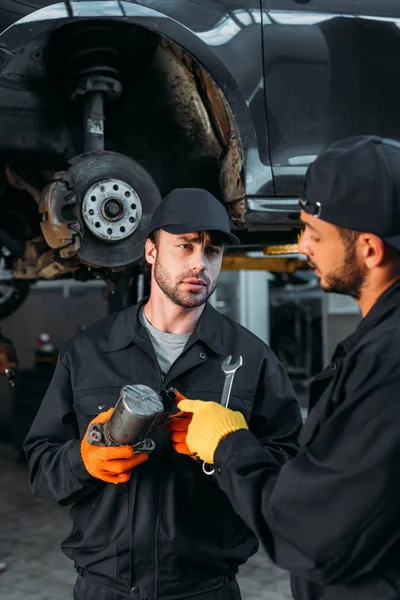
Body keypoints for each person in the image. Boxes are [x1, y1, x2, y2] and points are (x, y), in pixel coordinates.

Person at [24, 188, 302, 600]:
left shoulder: (250, 359)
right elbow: (41, 463)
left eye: (212, 251)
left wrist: (228, 450)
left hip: (206, 588)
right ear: (151, 251)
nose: (199, 264)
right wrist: (83, 459)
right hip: (105, 588)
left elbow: (289, 473)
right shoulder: (89, 352)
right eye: (184, 246)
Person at [168, 136, 400, 600]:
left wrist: (228, 444)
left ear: (370, 250)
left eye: (314, 232)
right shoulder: (379, 344)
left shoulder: (388, 362)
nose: (301, 246)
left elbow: (313, 530)